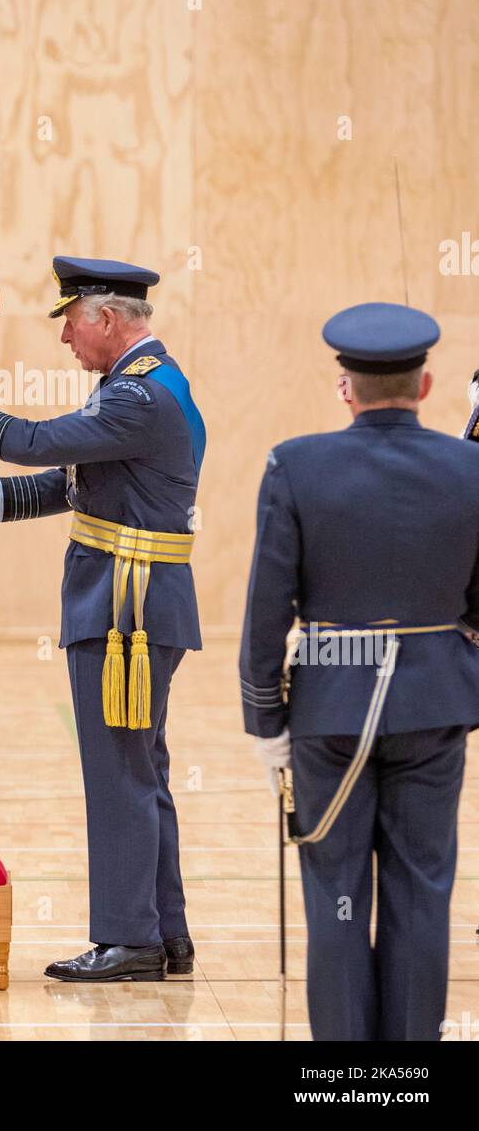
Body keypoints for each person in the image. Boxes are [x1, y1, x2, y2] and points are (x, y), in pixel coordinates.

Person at [0, 257, 205, 982]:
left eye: (71, 322)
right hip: (130, 606)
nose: (66, 339)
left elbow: (41, 444)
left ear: (106, 319)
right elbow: (73, 482)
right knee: (141, 772)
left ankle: (128, 939)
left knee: (118, 775)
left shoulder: (138, 397)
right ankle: (162, 932)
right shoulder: (147, 388)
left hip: (122, 613)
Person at [240, 301, 479, 1040]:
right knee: (421, 894)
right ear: (428, 385)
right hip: (434, 706)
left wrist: (263, 718)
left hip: (329, 710)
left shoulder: (295, 464)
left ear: (345, 385)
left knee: (336, 894)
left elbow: (266, 608)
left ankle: (348, 1080)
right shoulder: (471, 468)